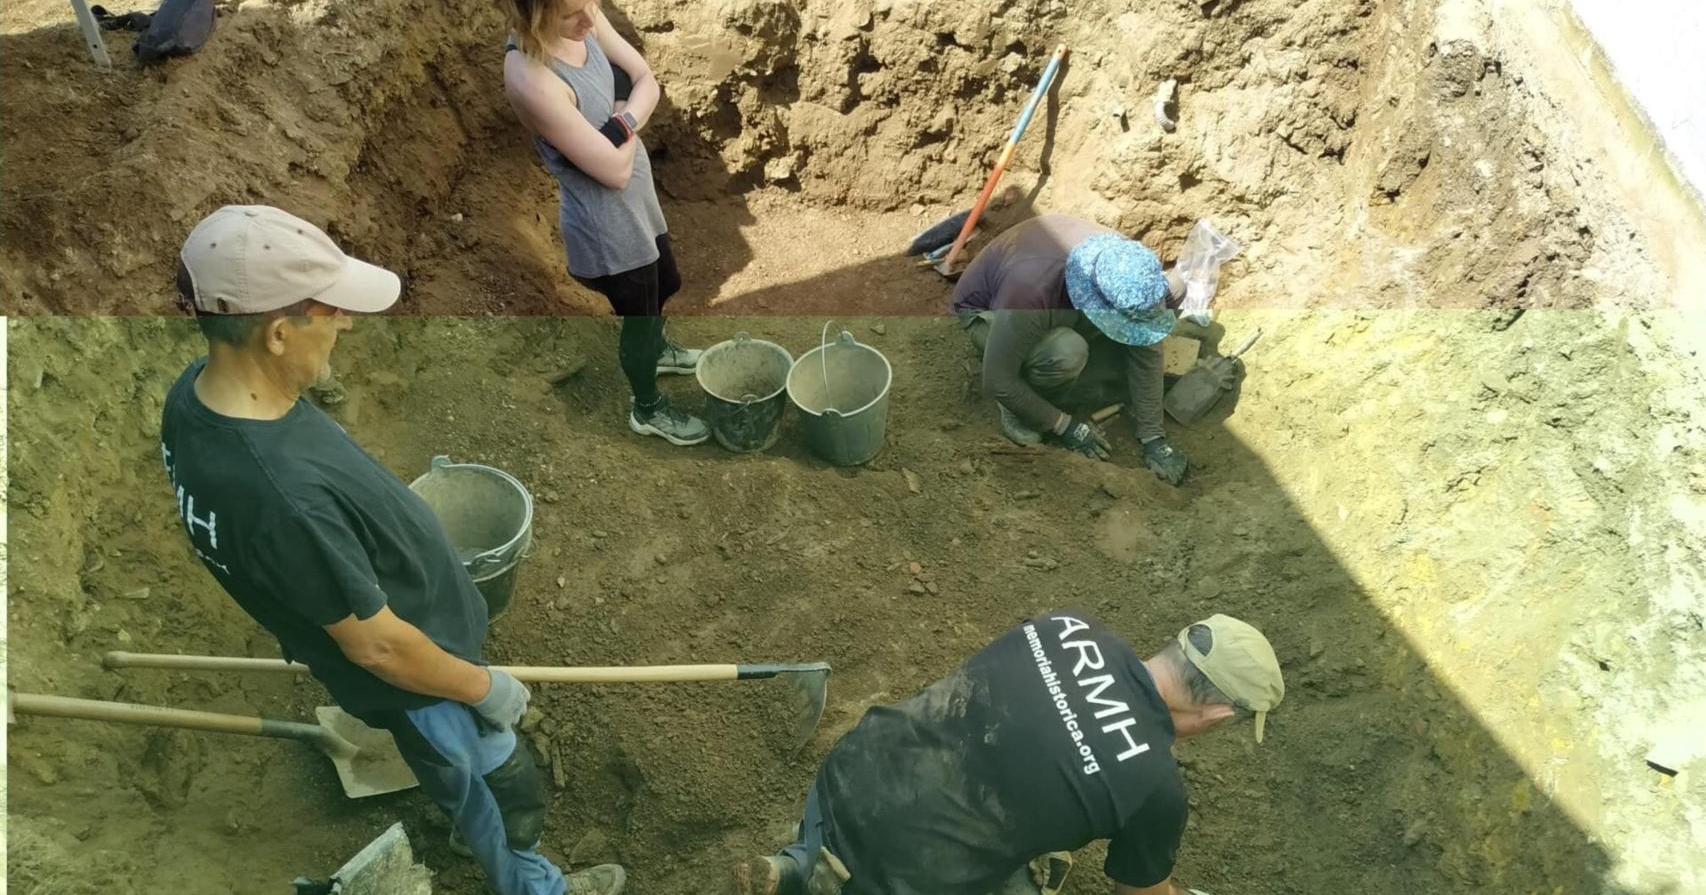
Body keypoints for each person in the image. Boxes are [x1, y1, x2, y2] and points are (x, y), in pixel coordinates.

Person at [160, 204, 625, 895]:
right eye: (329, 310)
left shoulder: (196, 400)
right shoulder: (283, 501)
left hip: (418, 645)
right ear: (279, 332)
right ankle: (533, 886)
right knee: (505, 790)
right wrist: (483, 687)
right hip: (419, 678)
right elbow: (377, 647)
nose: (346, 322)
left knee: (486, 781)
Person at [732, 610, 1285, 895]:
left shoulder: (1070, 625)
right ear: (1218, 715)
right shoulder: (1156, 789)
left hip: (846, 777)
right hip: (901, 876)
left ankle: (802, 865)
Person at [496, 0, 708, 445]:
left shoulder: (579, 7)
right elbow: (609, 172)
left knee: (668, 284)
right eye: (572, 16)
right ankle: (648, 407)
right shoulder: (531, 77)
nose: (590, 22)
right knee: (638, 318)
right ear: (529, 11)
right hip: (607, 225)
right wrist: (628, 112)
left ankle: (659, 351)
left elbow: (645, 78)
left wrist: (620, 122)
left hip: (638, 199)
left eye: (588, 1)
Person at [949, 214, 1213, 486]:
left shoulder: (1128, 265)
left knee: (1152, 315)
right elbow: (996, 380)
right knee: (1066, 351)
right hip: (989, 313)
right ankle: (1019, 404)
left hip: (1056, 295)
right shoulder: (1029, 293)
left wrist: (1154, 438)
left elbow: (1146, 344)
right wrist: (1066, 425)